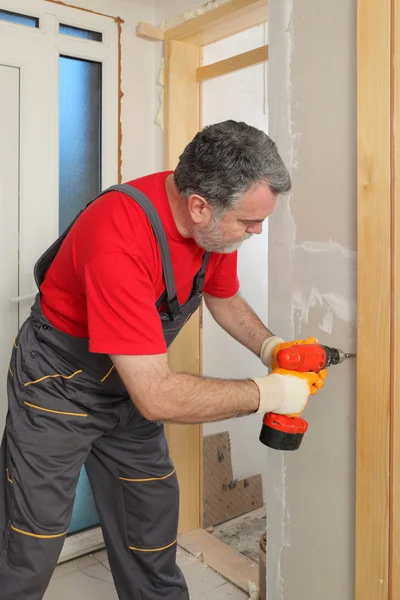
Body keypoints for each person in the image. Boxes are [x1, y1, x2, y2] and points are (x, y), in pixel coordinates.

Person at [0, 120, 326, 600]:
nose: (257, 231)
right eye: (249, 221)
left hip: (131, 381)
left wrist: (271, 348)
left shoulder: (215, 228)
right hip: (59, 384)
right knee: (33, 540)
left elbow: (223, 297)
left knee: (149, 525)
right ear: (199, 206)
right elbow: (155, 395)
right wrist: (270, 393)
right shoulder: (119, 239)